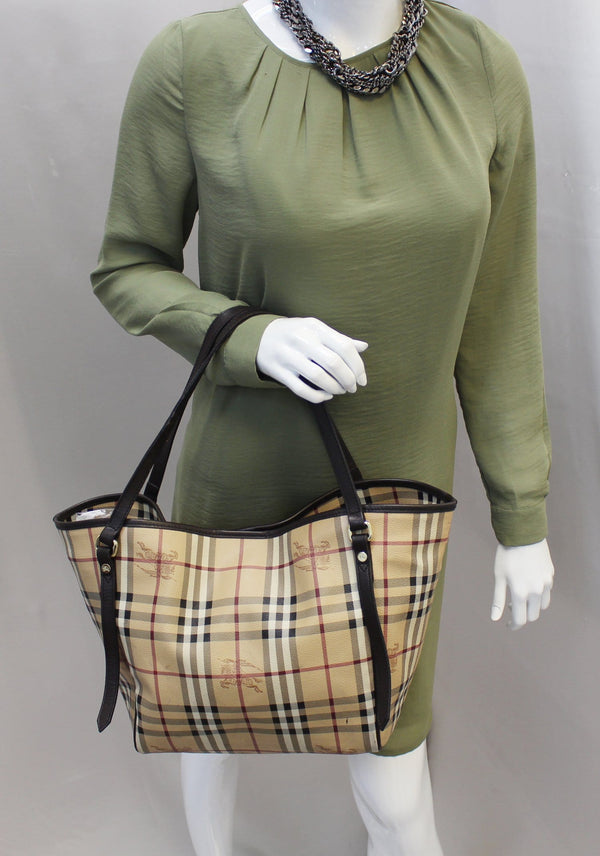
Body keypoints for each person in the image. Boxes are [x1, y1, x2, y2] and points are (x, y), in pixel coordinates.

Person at [89, 1, 555, 852]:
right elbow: (127, 266)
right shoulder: (195, 60)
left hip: (397, 503)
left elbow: (499, 317)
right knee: (208, 726)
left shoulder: (481, 69)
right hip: (241, 478)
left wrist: (522, 512)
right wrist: (250, 338)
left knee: (395, 783)